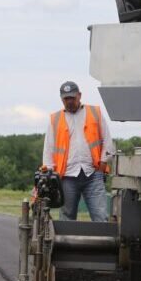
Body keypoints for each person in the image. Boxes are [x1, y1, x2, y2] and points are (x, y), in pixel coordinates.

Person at [43, 81, 115, 222]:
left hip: (93, 175)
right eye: (66, 99)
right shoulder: (55, 119)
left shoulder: (95, 113)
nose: (69, 101)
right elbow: (48, 150)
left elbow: (108, 142)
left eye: (72, 98)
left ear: (79, 95)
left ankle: (101, 244)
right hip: (67, 177)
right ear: (61, 99)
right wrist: (49, 174)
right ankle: (65, 244)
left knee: (100, 217)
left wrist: (102, 165)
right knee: (66, 218)